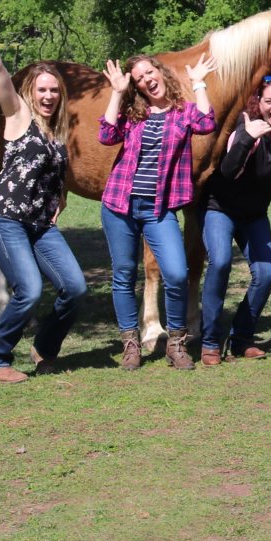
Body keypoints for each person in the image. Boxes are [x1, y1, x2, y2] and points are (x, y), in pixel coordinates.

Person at [0, 0, 85, 384]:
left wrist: (58, 201)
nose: (48, 96)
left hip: (40, 225)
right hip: (4, 219)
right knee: (29, 290)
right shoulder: (17, 115)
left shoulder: (58, 130)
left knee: (75, 288)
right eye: (42, 90)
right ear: (30, 91)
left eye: (54, 91)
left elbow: (55, 175)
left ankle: (44, 347)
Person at [100, 49, 218, 370]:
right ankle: (131, 345)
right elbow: (106, 134)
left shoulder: (184, 112)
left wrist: (199, 83)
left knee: (177, 274)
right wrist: (117, 93)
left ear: (160, 72)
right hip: (120, 206)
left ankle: (176, 344)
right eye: (139, 79)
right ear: (136, 87)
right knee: (124, 275)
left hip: (159, 209)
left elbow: (207, 123)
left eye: (149, 72)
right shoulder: (133, 114)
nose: (147, 80)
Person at [197, 74, 271, 364]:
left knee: (265, 273)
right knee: (220, 263)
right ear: (259, 102)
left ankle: (241, 338)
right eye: (269, 101)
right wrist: (247, 138)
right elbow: (228, 171)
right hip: (220, 209)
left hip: (254, 214)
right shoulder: (245, 126)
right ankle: (210, 342)